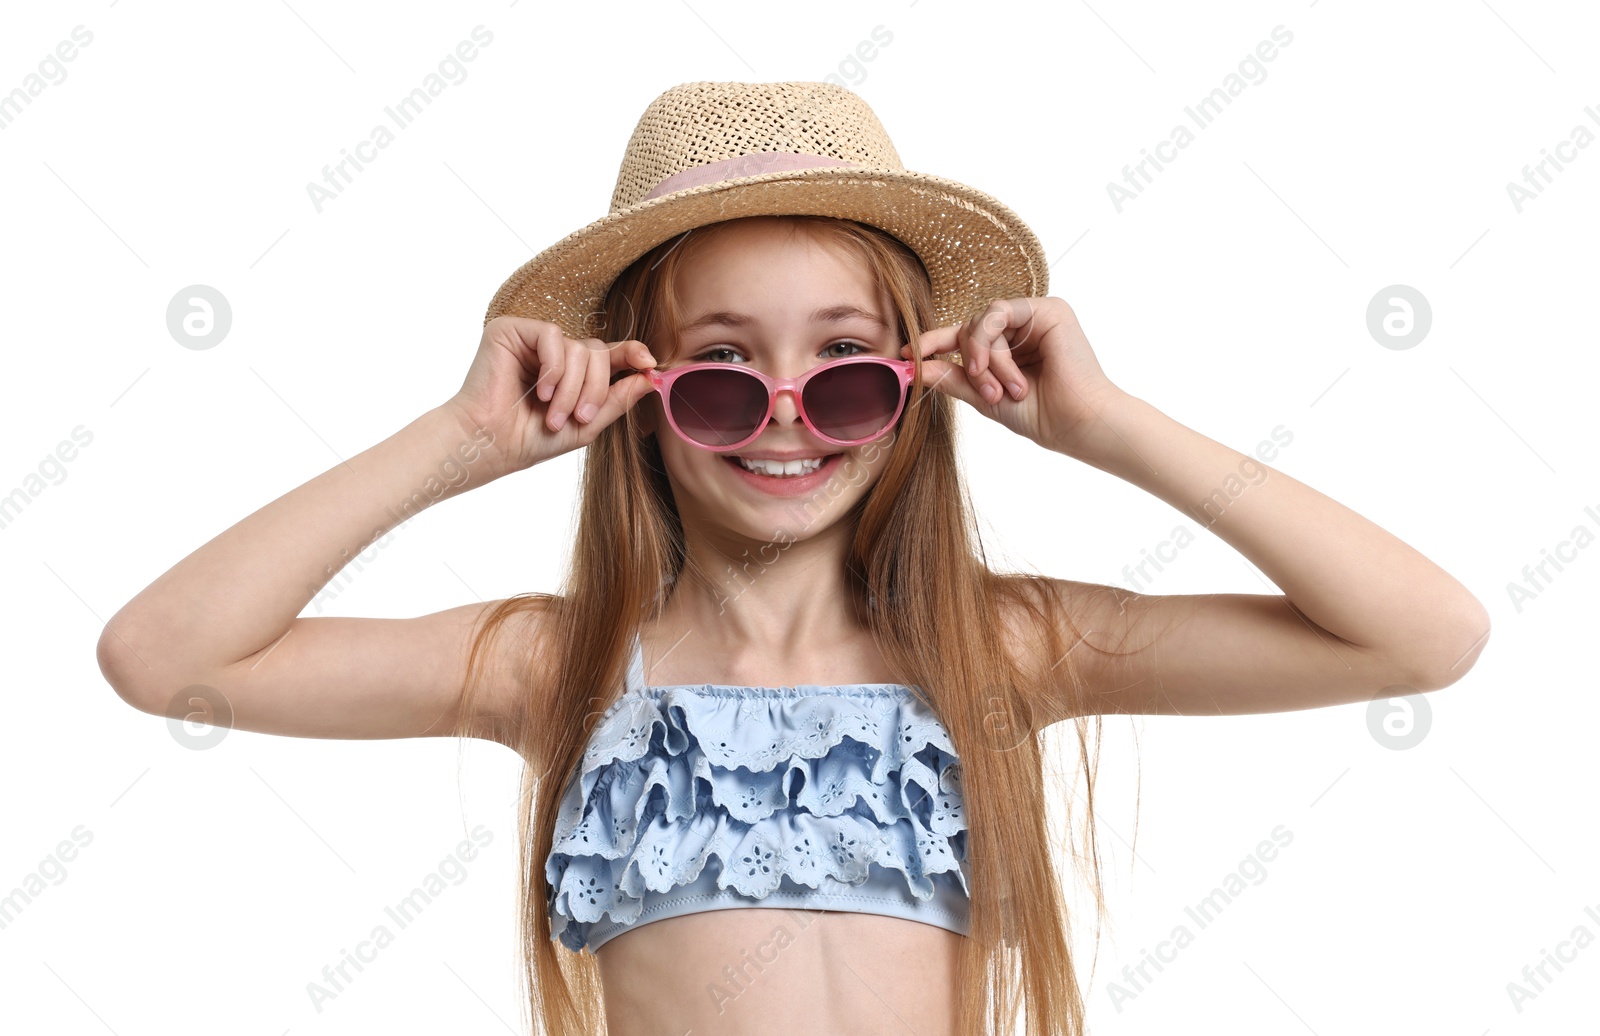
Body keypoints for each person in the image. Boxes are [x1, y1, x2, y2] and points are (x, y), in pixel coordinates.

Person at [98, 81, 1491, 1036]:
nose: (781, 417)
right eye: (717, 372)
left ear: (914, 386)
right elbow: (166, 658)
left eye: (843, 370)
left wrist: (1109, 429)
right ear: (640, 393)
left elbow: (1422, 635)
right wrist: (459, 441)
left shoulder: (997, 648)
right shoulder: (557, 665)